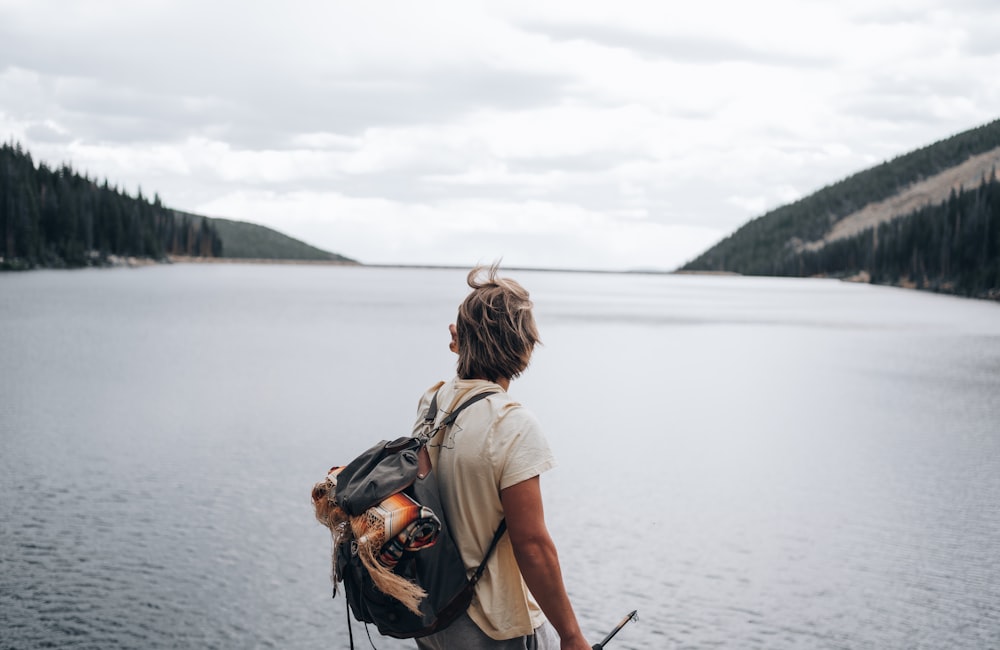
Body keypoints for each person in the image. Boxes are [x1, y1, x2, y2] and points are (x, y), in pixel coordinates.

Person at [413, 264, 590, 650]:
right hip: (493, 625)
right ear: (524, 348)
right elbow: (532, 544)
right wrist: (571, 635)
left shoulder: (433, 403)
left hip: (435, 618)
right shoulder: (512, 424)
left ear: (457, 339)